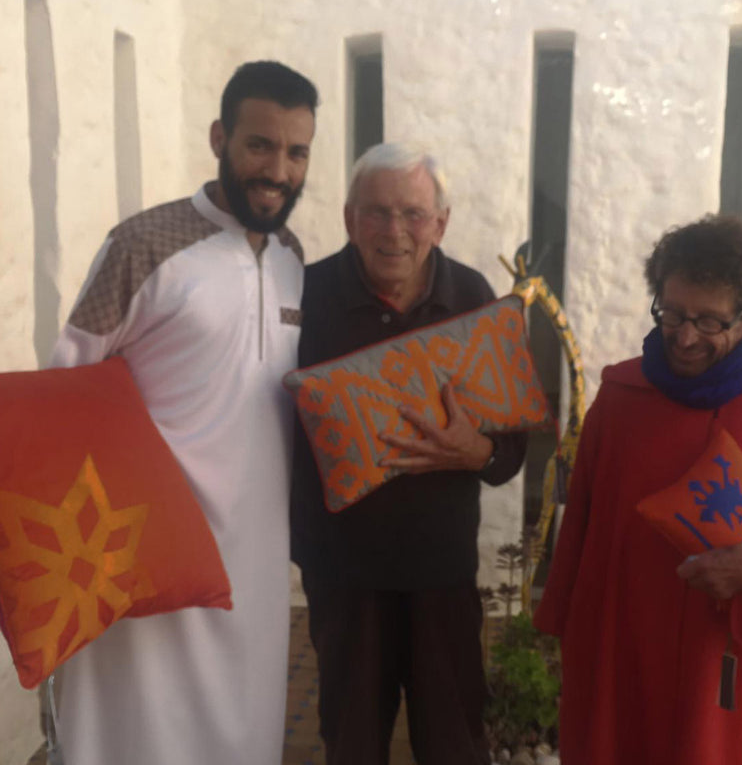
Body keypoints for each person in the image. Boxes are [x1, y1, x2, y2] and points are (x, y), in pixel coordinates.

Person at [49, 60, 318, 765]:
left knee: (245, 736)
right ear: (219, 137)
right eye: (260, 145)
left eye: (297, 153)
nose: (278, 170)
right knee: (132, 739)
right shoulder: (142, 245)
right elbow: (66, 389)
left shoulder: (293, 258)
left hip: (253, 568)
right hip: (144, 560)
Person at [290, 142, 528, 765]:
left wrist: (474, 450)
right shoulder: (302, 300)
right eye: (376, 212)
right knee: (352, 743)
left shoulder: (474, 297)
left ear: (441, 223)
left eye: (413, 214)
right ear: (348, 218)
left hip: (440, 574)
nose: (393, 231)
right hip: (343, 578)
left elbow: (511, 450)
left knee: (453, 743)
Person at [534, 215, 742, 765]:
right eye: (672, 312)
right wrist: (562, 628)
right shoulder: (621, 398)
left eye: (708, 322)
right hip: (620, 648)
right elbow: (580, 522)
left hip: (725, 659)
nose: (682, 337)